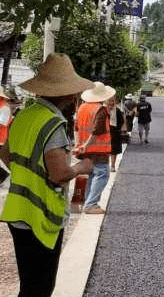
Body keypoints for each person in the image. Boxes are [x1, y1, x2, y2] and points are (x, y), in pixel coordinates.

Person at [0, 53, 94, 297]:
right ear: (67, 94)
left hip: (18, 211)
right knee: (40, 288)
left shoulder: (24, 115)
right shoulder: (53, 123)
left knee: (29, 286)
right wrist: (82, 167)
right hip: (41, 216)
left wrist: (28, 174)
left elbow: (5, 153)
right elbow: (59, 174)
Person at [74, 81, 115, 214]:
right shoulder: (100, 110)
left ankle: (88, 202)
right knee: (102, 174)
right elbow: (97, 130)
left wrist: (78, 145)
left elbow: (76, 128)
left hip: (85, 150)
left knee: (93, 175)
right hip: (98, 150)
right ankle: (91, 204)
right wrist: (86, 145)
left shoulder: (81, 108)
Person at [107, 96, 125, 172]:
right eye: (110, 101)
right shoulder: (103, 110)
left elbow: (121, 121)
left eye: (112, 101)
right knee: (105, 150)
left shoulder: (117, 110)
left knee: (114, 151)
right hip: (105, 133)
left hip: (115, 133)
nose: (111, 103)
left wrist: (119, 129)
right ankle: (106, 165)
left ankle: (112, 166)